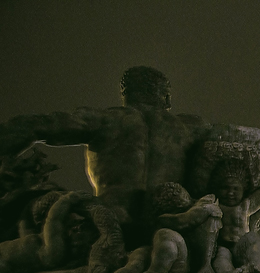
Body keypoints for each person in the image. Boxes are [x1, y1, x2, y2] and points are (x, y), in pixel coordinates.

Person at [0, 66, 211, 244]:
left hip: (108, 221)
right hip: (169, 225)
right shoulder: (191, 128)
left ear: (126, 95)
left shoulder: (105, 120)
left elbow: (29, 126)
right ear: (165, 96)